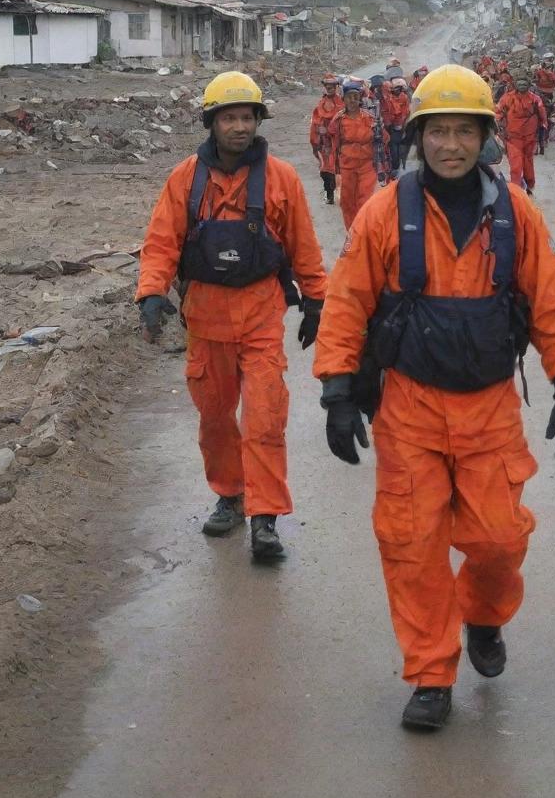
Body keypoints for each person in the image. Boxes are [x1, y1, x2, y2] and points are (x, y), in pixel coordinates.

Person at [313, 64, 555, 730]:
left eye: (465, 131)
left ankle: (485, 618)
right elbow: (347, 300)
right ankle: (431, 674)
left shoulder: (515, 214)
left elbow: (551, 298)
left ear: (485, 138)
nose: (451, 145)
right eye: (439, 131)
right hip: (409, 407)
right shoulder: (385, 211)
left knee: (497, 540)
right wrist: (338, 390)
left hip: (490, 408)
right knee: (413, 543)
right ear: (418, 137)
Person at [135, 72, 328, 559]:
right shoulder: (185, 178)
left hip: (262, 316)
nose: (239, 127)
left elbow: (303, 245)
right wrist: (151, 293)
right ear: (212, 122)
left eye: (247, 117)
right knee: (216, 418)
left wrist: (316, 301)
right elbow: (162, 241)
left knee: (264, 417)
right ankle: (229, 496)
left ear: (258, 121)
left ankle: (265, 518)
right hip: (205, 320)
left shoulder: (281, 178)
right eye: (229, 118)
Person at [330, 81, 379, 228]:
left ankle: (363, 230)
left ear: (360, 98)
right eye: (349, 97)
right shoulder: (338, 120)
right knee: (346, 201)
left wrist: (379, 131)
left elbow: (383, 139)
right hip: (347, 166)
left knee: (365, 201)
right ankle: (352, 232)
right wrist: (335, 169)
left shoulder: (370, 118)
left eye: (355, 96)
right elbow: (335, 146)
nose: (352, 100)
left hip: (367, 166)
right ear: (343, 99)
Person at [495, 77, 547, 194]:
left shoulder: (535, 99)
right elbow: (498, 112)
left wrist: (543, 128)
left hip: (530, 137)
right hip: (513, 138)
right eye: (520, 83)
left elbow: (542, 115)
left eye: (525, 83)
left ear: (529, 85)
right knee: (516, 166)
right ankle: (516, 191)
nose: (522, 85)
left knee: (528, 164)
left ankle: (530, 185)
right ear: (515, 85)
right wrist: (497, 124)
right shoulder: (507, 97)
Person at [310, 73, 344, 205]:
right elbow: (315, 123)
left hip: (337, 143)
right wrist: (317, 136)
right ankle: (330, 194)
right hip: (325, 143)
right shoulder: (321, 103)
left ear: (336, 87)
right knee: (325, 170)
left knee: (337, 169)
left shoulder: (341, 103)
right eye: (327, 86)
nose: (329, 88)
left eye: (332, 86)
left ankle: (338, 193)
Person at [381, 77, 411, 176]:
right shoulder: (390, 99)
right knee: (395, 149)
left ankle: (398, 168)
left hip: (399, 127)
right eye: (396, 88)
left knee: (397, 148)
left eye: (399, 88)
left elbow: (405, 112)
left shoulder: (402, 98)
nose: (398, 90)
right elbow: (390, 115)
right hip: (395, 128)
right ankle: (397, 168)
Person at [534, 55, 555, 141]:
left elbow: (536, 80)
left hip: (541, 91)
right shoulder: (550, 73)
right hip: (549, 92)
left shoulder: (539, 72)